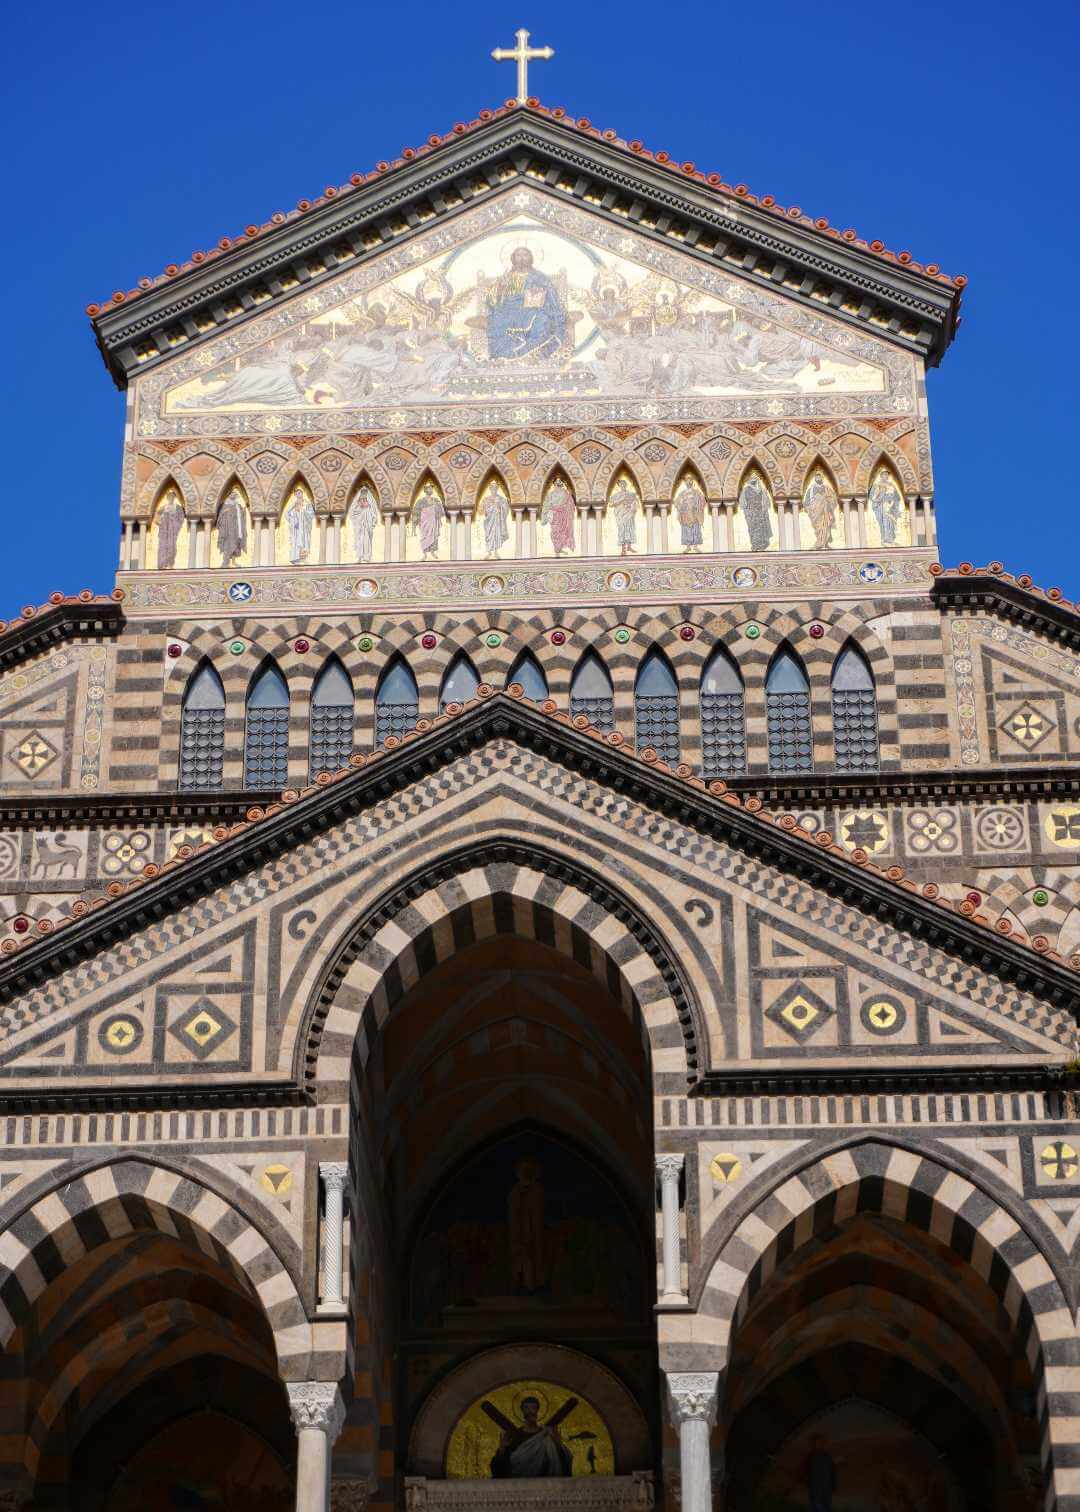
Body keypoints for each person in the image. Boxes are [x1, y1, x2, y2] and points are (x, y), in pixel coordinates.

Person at [486, 248, 566, 362]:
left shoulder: (540, 277)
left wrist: (538, 294)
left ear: (531, 258)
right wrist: (501, 288)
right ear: (513, 258)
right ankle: (503, 356)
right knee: (496, 320)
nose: (522, 258)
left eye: (525, 255)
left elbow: (552, 297)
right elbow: (492, 301)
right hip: (509, 311)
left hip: (533, 311)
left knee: (542, 320)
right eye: (518, 255)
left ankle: (531, 355)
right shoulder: (507, 277)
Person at [489, 1397, 572, 1479]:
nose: (530, 1411)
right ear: (522, 1411)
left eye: (533, 1407)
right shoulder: (515, 1435)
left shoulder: (546, 1435)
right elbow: (499, 1468)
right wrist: (502, 1449)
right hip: (518, 1483)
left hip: (543, 1482)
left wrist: (558, 1444)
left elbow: (565, 1459)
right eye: (527, 1408)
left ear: (537, 1411)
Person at [802, 472, 838, 550]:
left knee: (826, 526)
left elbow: (834, 499)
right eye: (817, 477)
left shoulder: (827, 488)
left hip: (825, 512)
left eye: (820, 477)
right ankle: (819, 542)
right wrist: (810, 507)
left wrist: (826, 501)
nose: (818, 478)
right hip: (815, 513)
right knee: (818, 527)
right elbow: (806, 502)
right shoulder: (811, 489)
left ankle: (825, 543)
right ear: (815, 479)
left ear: (822, 478)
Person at [541, 479, 576, 556]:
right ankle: (557, 548)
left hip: (563, 515)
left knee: (563, 532)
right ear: (554, 484)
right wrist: (547, 514)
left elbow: (570, 504)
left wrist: (567, 507)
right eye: (556, 482)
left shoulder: (565, 493)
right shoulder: (550, 494)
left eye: (559, 482)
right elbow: (546, 504)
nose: (558, 484)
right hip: (554, 515)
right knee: (555, 531)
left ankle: (559, 548)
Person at [411, 483, 446, 559]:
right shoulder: (421, 501)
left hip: (433, 522)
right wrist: (414, 525)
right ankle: (424, 554)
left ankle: (432, 552)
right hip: (424, 523)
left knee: (434, 536)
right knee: (424, 537)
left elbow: (442, 512)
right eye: (429, 488)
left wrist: (438, 507)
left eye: (431, 488)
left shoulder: (436, 500)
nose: (431, 490)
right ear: (425, 490)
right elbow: (415, 512)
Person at [869, 469, 904, 544]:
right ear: (881, 475)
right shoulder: (877, 485)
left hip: (890, 506)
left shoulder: (891, 485)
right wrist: (879, 497)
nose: (886, 476)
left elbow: (897, 496)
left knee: (891, 522)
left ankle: (891, 538)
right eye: (884, 474)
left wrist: (894, 501)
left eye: (887, 474)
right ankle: (884, 538)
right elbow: (872, 496)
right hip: (881, 506)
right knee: (883, 521)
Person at [739, 474, 773, 552]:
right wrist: (748, 513)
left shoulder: (762, 489)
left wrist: (764, 509)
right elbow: (743, 503)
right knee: (753, 530)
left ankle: (763, 545)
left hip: (761, 513)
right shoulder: (746, 490)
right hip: (752, 514)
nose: (753, 482)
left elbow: (766, 501)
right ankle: (755, 545)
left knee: (762, 529)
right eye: (752, 481)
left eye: (755, 480)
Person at [215, 488, 247, 566]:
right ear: (229, 495)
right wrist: (225, 512)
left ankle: (233, 561)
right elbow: (220, 517)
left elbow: (240, 515)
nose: (234, 495)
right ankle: (225, 562)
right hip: (227, 530)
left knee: (236, 544)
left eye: (235, 494)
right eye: (232, 494)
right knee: (227, 544)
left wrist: (243, 511)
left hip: (236, 529)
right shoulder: (225, 506)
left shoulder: (238, 506)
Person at [805, 1434, 836, 1512]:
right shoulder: (810, 1457)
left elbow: (832, 1471)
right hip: (815, 1489)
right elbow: (807, 1472)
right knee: (817, 1507)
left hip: (826, 1488)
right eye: (816, 1443)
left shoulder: (827, 1456)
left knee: (825, 1507)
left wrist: (833, 1484)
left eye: (820, 1442)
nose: (818, 1445)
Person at [349, 485, 380, 562]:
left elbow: (374, 516)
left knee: (366, 540)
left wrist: (371, 522)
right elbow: (352, 513)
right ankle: (359, 556)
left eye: (365, 500)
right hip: (359, 528)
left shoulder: (369, 510)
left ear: (368, 500)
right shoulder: (357, 510)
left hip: (367, 527)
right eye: (361, 499)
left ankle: (367, 556)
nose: (362, 501)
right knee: (359, 540)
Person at [155, 490, 185, 570]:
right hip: (164, 531)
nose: (170, 498)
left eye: (172, 496)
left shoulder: (177, 507)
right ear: (167, 498)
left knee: (171, 546)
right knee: (163, 547)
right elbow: (157, 516)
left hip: (173, 531)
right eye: (169, 496)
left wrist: (174, 521)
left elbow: (181, 518)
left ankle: (170, 563)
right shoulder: (164, 507)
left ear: (174, 497)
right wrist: (161, 521)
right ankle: (163, 564)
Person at [480, 481, 511, 558]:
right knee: (489, 535)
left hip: (497, 521)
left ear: (497, 489)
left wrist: (500, 508)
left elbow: (506, 508)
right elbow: (481, 510)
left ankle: (496, 552)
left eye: (495, 488)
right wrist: (489, 509)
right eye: (492, 488)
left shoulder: (501, 499)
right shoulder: (486, 499)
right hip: (489, 521)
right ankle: (489, 552)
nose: (493, 490)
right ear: (490, 489)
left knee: (497, 534)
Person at [284, 488, 315, 563]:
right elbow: (286, 514)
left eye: (299, 493)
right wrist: (293, 521)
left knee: (304, 542)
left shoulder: (307, 503)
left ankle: (304, 558)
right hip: (297, 528)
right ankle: (297, 557)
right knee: (297, 542)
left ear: (302, 493)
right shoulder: (294, 504)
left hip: (305, 527)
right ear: (295, 495)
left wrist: (304, 511)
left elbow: (311, 514)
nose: (298, 495)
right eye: (297, 494)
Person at [609, 479, 639, 555]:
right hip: (620, 514)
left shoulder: (630, 494)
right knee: (622, 529)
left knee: (629, 528)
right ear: (619, 486)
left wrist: (632, 507)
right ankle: (623, 549)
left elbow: (636, 502)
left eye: (624, 484)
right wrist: (620, 500)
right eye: (621, 484)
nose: (623, 485)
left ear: (626, 485)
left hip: (629, 513)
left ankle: (629, 547)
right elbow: (611, 504)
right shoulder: (616, 495)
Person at [675, 480, 706, 553]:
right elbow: (677, 503)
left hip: (695, 515)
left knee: (695, 530)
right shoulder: (682, 493)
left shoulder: (697, 492)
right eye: (687, 482)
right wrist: (682, 506)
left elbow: (702, 501)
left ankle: (695, 546)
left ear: (692, 483)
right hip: (686, 515)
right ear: (685, 483)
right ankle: (688, 546)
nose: (689, 483)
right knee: (686, 530)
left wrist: (697, 506)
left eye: (690, 482)